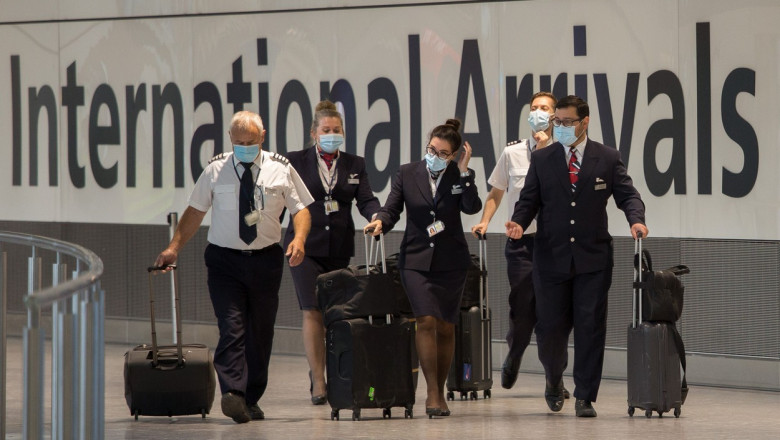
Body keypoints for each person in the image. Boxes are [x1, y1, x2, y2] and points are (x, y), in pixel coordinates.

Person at [154, 110, 314, 424]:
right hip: (224, 261)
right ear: (230, 138)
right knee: (232, 325)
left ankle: (250, 398)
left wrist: (299, 239)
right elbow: (195, 212)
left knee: (261, 331)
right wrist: (174, 248)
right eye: (239, 142)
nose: (245, 147)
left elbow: (301, 209)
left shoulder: (280, 169)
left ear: (262, 137)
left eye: (251, 142)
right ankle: (233, 393)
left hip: (266, 260)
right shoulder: (216, 169)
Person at [505, 95, 648, 418]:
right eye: (557, 122)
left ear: (585, 122)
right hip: (550, 258)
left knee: (590, 327)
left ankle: (585, 396)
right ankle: (554, 378)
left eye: (567, 122)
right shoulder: (543, 159)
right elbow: (529, 201)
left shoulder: (607, 158)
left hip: (592, 259)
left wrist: (636, 220)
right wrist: (519, 222)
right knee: (550, 329)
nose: (561, 127)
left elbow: (628, 195)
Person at [364, 119, 482, 418]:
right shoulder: (407, 172)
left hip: (451, 263)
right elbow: (392, 208)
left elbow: (472, 207)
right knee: (426, 320)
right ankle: (432, 394)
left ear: (453, 155)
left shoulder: (459, 175)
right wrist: (380, 221)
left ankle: (440, 388)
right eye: (431, 149)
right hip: (415, 261)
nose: (435, 156)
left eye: (442, 153)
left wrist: (465, 171)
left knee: (446, 325)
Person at [471, 91, 568, 397]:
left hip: (555, 244)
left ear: (555, 116)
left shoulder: (565, 154)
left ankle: (555, 379)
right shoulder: (512, 153)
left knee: (554, 315)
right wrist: (485, 221)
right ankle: (515, 352)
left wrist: (546, 149)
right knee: (523, 309)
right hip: (521, 243)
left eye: (545, 108)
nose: (538, 112)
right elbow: (496, 191)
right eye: (534, 107)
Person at [283, 100, 380, 405]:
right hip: (304, 247)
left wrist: (376, 216)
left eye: (336, 130)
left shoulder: (355, 164)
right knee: (312, 309)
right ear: (314, 133)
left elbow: (366, 200)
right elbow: (282, 200)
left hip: (338, 247)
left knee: (334, 314)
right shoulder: (294, 162)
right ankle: (318, 380)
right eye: (326, 130)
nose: (331, 134)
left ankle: (336, 372)